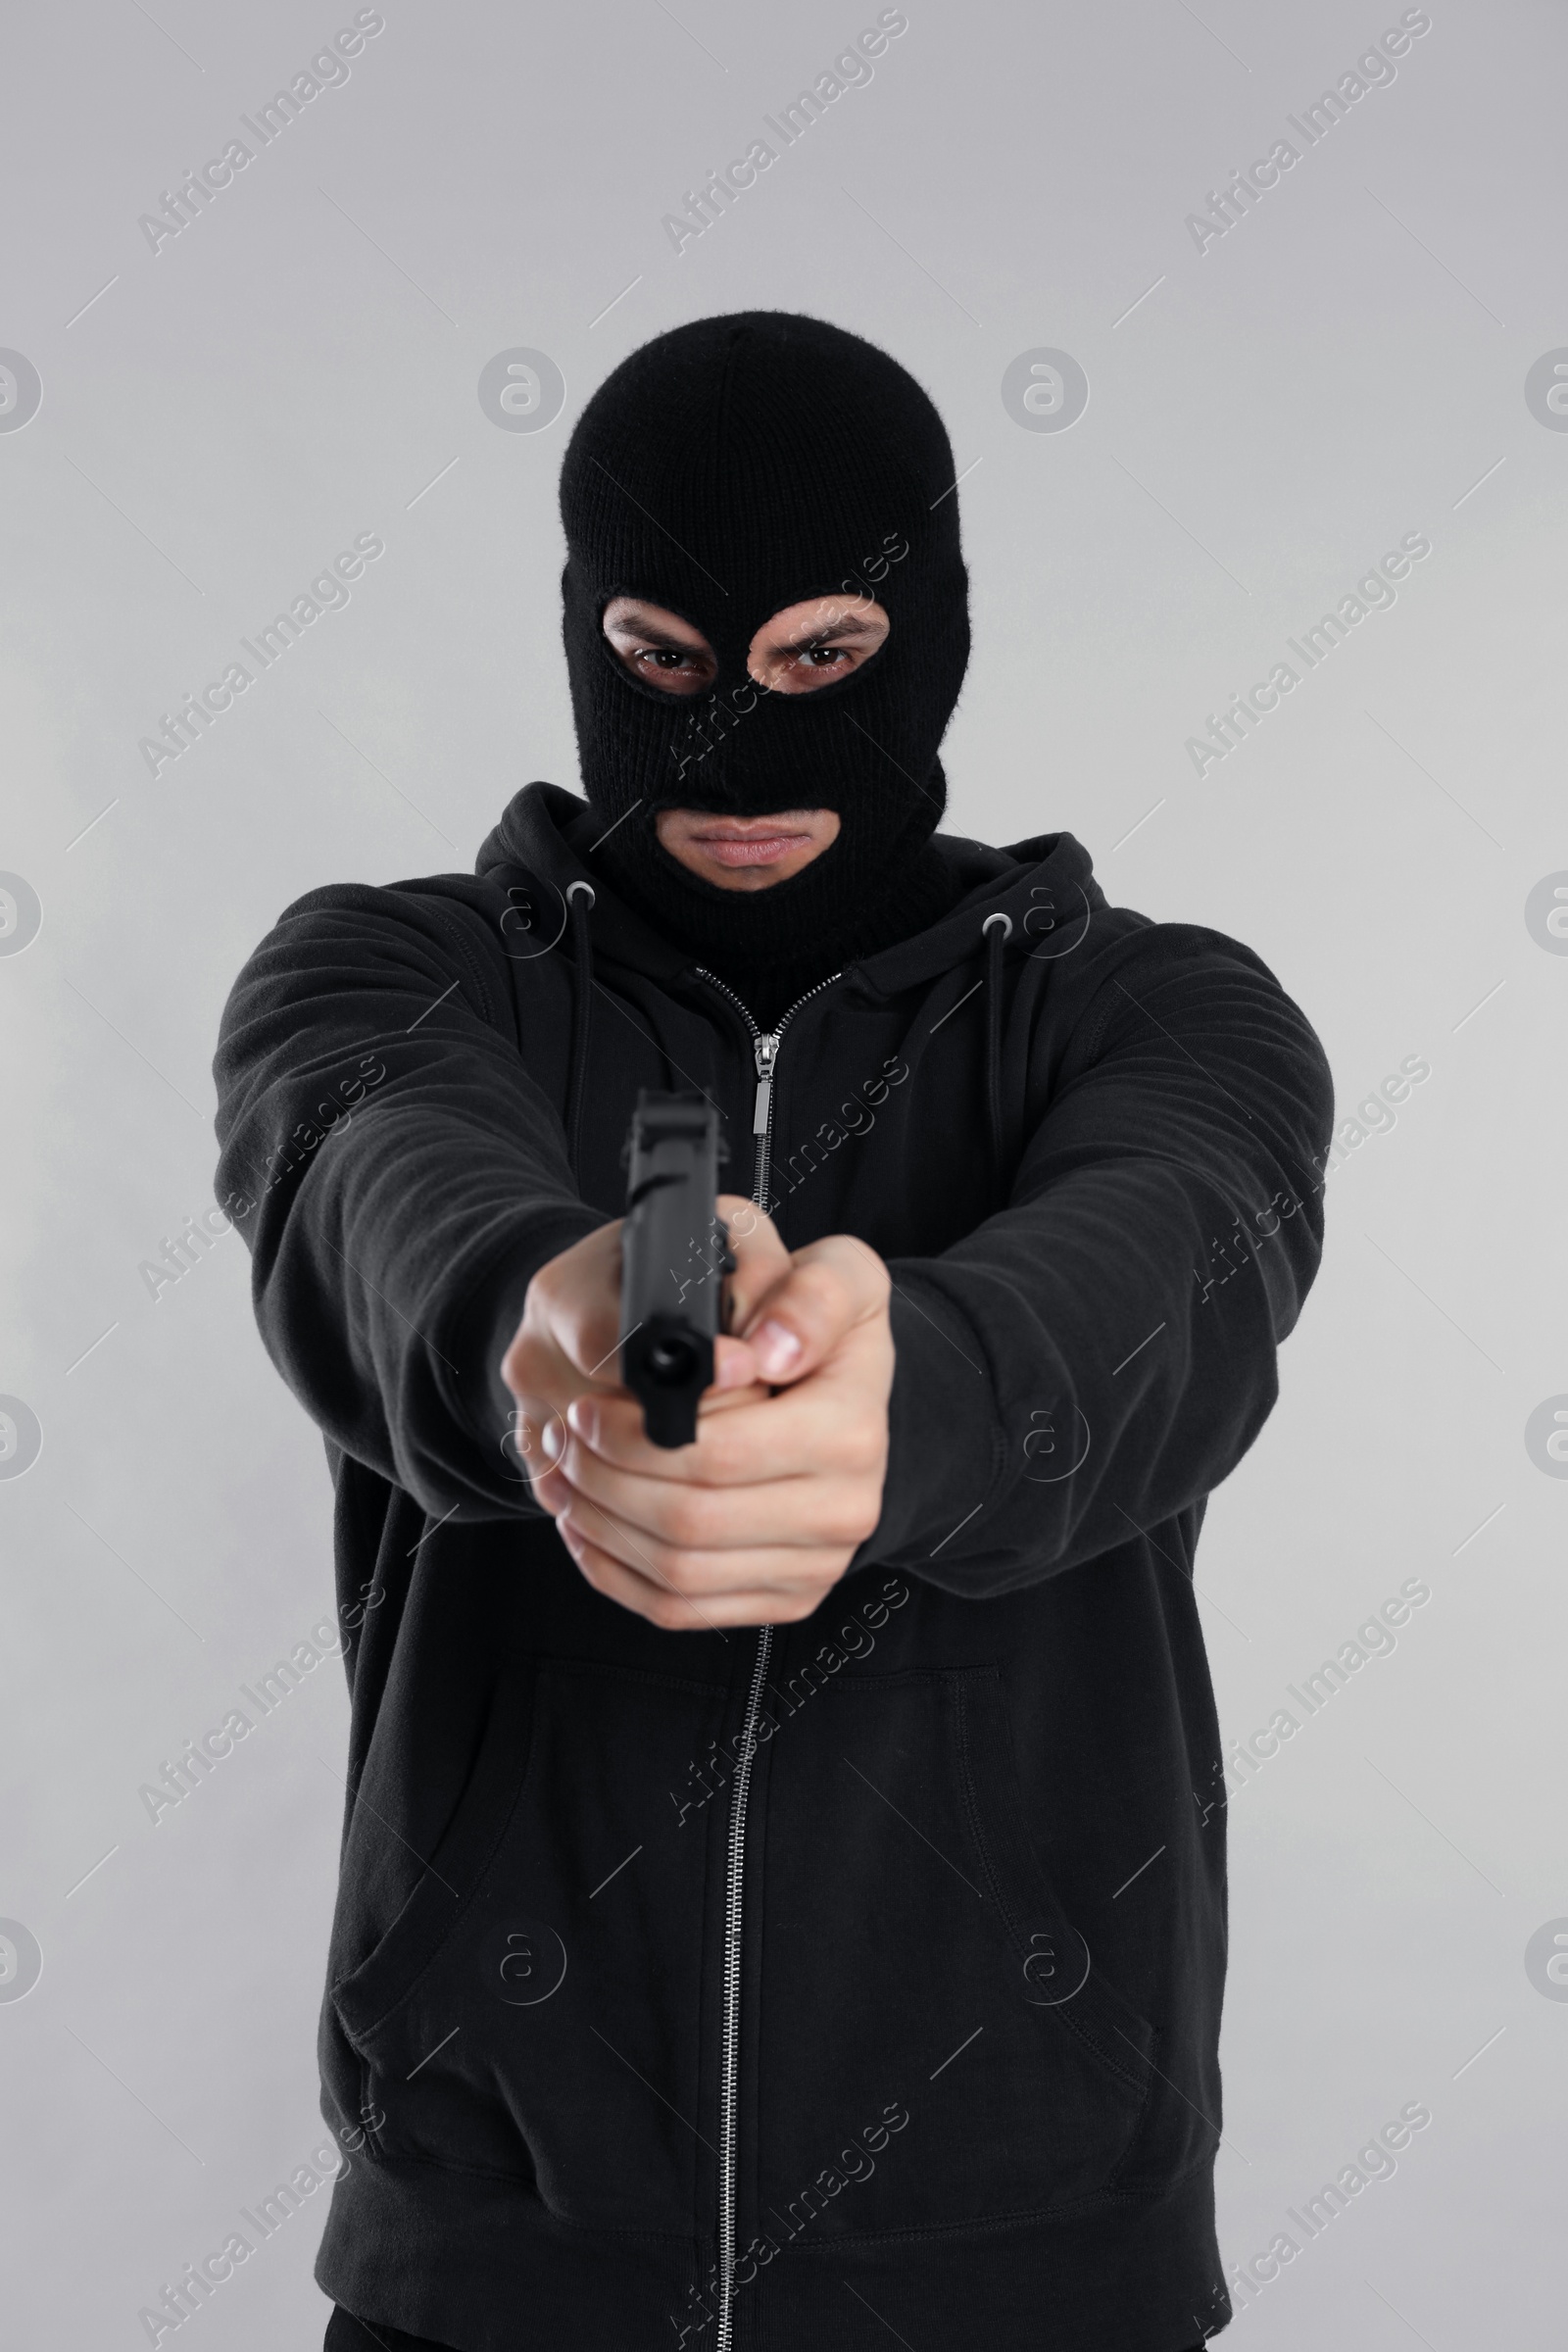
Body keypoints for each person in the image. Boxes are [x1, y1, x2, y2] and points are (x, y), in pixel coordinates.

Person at [214, 311, 1334, 2352]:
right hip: (492, 2267)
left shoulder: (1165, 1012)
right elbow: (363, 1163)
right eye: (660, 661)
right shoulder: (386, 967)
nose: (732, 747)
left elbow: (1177, 1248)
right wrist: (525, 1330)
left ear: (933, 635)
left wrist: (928, 1395)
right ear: (578, 636)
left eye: (819, 657)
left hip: (1031, 2271)